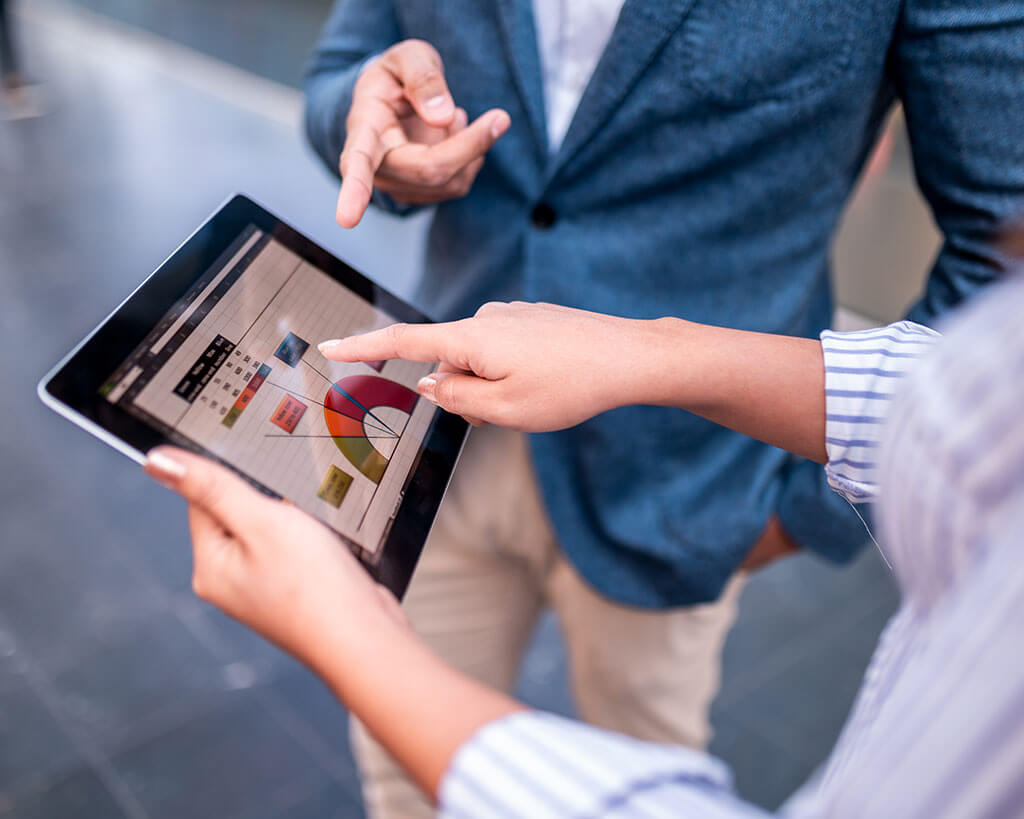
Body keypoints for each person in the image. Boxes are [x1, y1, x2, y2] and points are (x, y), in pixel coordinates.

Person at [304, 4, 1024, 813]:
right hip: (435, 440)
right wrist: (366, 129)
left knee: (651, 751)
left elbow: (1003, 259)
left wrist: (810, 508)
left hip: (684, 482)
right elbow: (344, 67)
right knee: (403, 773)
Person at [144, 255, 1024, 816]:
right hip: (438, 441)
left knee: (650, 731)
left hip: (674, 498)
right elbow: (985, 384)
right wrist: (659, 352)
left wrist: (349, 637)